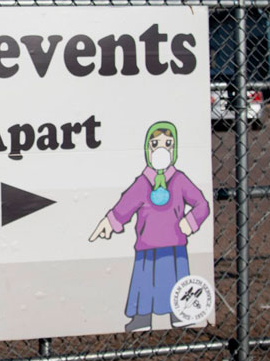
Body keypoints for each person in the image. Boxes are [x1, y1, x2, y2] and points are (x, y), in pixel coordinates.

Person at [89, 121, 209, 331]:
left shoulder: (179, 180)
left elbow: (202, 204)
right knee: (145, 284)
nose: (161, 150)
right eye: (155, 144)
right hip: (147, 245)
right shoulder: (143, 182)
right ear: (148, 149)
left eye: (168, 144)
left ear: (174, 149)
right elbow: (125, 204)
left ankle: (180, 314)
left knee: (175, 280)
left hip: (174, 245)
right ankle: (141, 317)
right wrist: (110, 221)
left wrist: (191, 221)